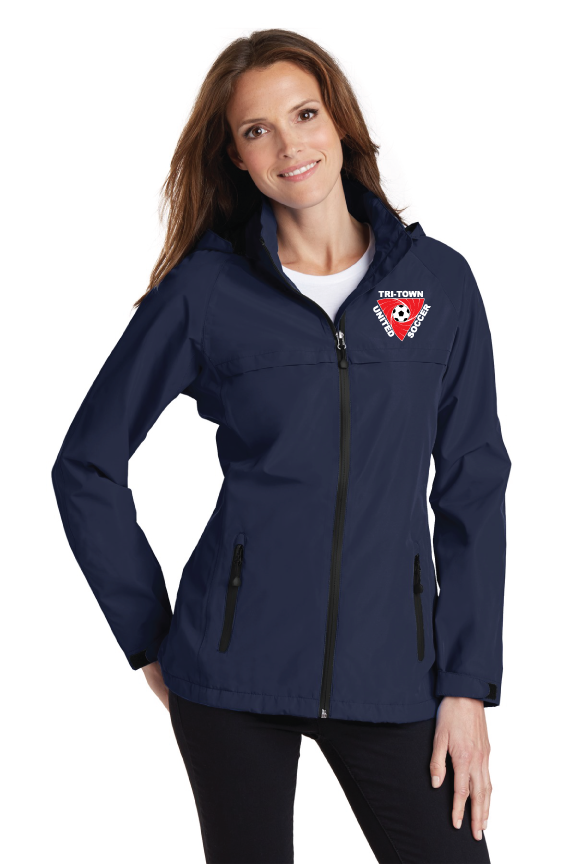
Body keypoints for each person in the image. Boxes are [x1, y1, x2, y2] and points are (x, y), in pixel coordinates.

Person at [51, 28, 511, 864]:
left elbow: (473, 481)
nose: (289, 145)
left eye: (305, 114)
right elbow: (86, 464)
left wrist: (466, 685)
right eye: (257, 130)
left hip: (393, 671)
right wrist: (149, 636)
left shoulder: (438, 283)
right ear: (236, 156)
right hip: (230, 674)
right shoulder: (206, 292)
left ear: (339, 121)